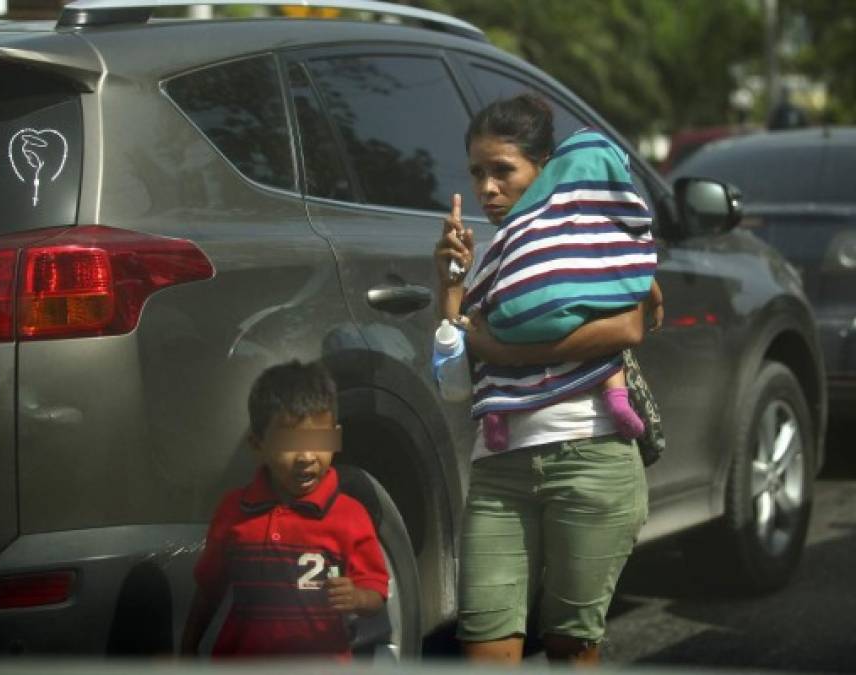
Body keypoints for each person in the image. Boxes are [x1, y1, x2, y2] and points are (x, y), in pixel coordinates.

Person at [434, 93, 658, 665]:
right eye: (477, 174)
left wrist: (504, 351)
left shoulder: (593, 240)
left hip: (592, 459)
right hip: (499, 472)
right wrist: (452, 290)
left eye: (503, 171)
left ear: (543, 170)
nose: (487, 188)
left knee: (569, 642)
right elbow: (458, 386)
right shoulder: (491, 260)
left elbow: (630, 325)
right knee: (483, 641)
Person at [180, 360, 389, 659]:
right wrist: (188, 646)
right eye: (290, 443)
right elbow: (209, 589)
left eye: (318, 441)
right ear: (257, 445)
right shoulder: (234, 511)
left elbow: (376, 593)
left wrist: (357, 598)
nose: (306, 456)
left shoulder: (349, 516)